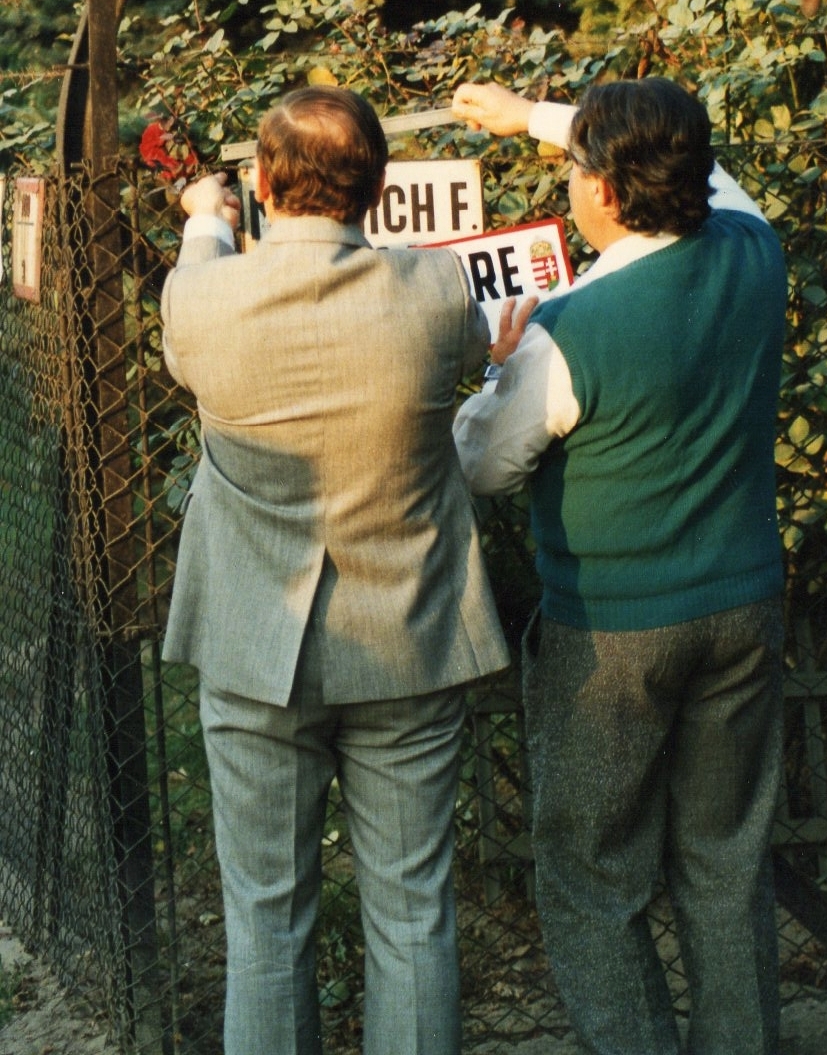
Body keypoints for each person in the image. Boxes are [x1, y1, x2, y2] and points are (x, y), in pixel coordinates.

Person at [160, 85, 512, 1055]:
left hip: (250, 642)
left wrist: (204, 220)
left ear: (265, 182)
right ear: (379, 186)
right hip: (406, 639)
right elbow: (481, 349)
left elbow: (195, 303)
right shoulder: (436, 290)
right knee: (413, 918)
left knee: (265, 928)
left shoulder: (200, 295)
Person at [450, 78, 787, 1055]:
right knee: (724, 860)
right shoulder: (750, 246)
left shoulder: (570, 324)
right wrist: (534, 116)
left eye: (570, 164)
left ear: (600, 187)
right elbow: (710, 170)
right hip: (743, 604)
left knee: (590, 872)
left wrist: (492, 371)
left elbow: (482, 464)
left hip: (609, 631)